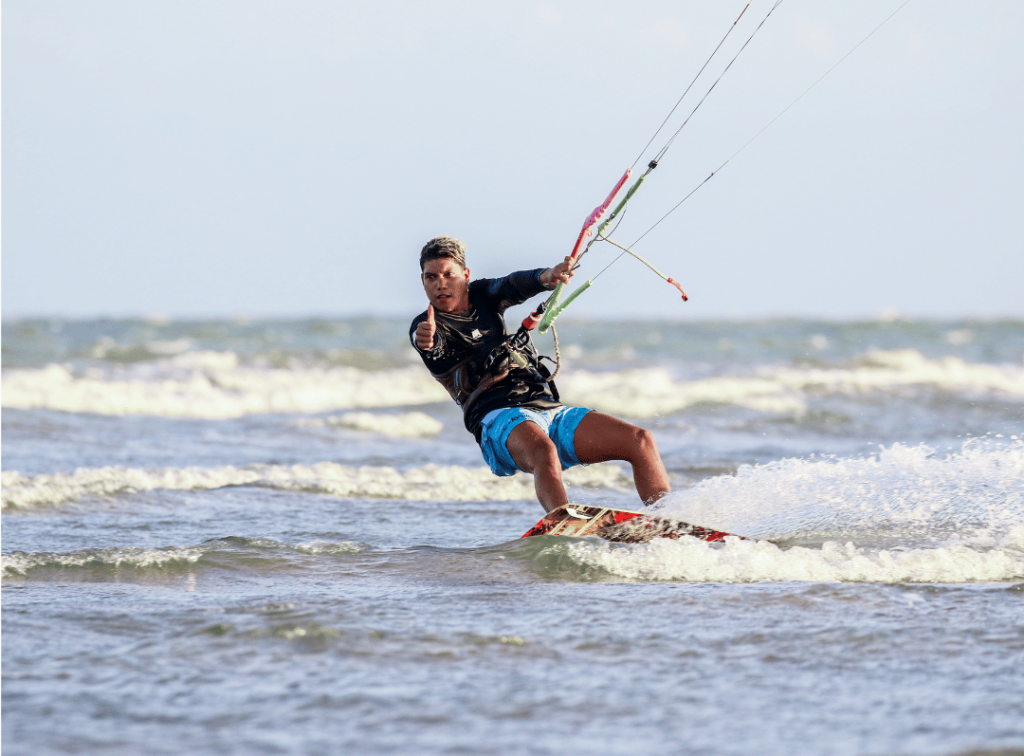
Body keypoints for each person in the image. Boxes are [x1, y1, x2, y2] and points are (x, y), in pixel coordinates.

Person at [410, 235, 671, 513]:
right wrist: (425, 340)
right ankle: (562, 525)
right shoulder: (428, 326)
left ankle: (668, 521)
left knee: (640, 440)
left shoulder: (483, 295)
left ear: (465, 275)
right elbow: (429, 346)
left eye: (449, 274)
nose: (441, 284)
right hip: (497, 419)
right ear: (423, 281)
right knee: (544, 452)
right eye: (431, 277)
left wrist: (547, 277)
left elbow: (510, 284)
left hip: (545, 408)